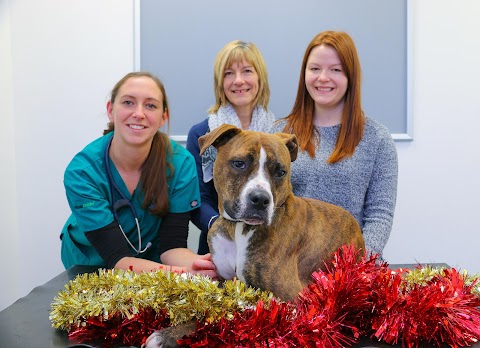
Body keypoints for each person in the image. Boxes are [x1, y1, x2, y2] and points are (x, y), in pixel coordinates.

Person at [60, 72, 216, 278]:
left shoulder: (180, 164)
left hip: (150, 267)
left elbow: (173, 247)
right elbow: (116, 258)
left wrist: (199, 266)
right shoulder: (82, 172)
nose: (139, 113)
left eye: (150, 105)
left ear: (163, 117)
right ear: (110, 110)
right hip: (90, 264)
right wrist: (183, 273)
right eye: (128, 102)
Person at [270, 31, 398, 260]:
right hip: (288, 267)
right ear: (304, 74)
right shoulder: (279, 134)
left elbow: (379, 215)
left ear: (351, 76)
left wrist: (356, 269)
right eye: (315, 68)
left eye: (335, 70)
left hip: (350, 272)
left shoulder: (378, 138)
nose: (323, 78)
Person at [186, 40, 275, 254]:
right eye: (228, 73)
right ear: (220, 83)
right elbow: (198, 199)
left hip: (269, 246)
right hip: (218, 246)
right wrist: (223, 230)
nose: (238, 81)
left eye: (247, 71)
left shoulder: (277, 135)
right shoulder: (203, 134)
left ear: (259, 78)